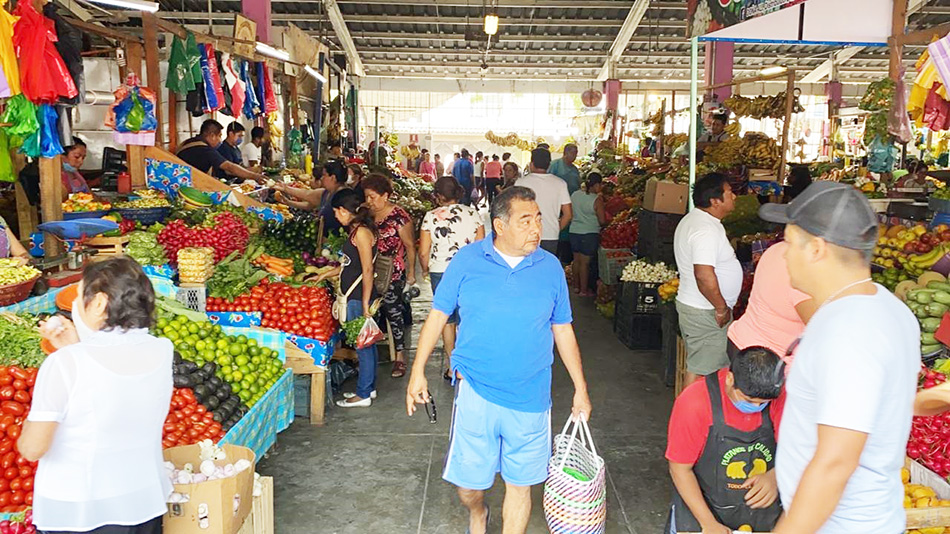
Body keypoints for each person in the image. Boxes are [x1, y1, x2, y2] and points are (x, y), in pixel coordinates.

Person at [406, 186, 592, 534]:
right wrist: (418, 372)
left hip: (531, 396)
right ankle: (478, 512)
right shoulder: (467, 260)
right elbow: (437, 315)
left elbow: (562, 329)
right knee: (468, 488)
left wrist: (580, 389)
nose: (537, 228)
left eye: (538, 219)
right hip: (477, 390)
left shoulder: (550, 267)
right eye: (526, 221)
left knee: (520, 485)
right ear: (499, 226)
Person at [758, 182, 920, 534]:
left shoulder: (848, 330)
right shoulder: (888, 307)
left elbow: (836, 462)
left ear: (816, 248)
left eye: (788, 242)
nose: (783, 254)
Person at [19, 257, 172, 533]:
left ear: (99, 303)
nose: (75, 306)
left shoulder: (65, 364)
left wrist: (27, 427)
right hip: (143, 502)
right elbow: (112, 378)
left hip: (82, 514)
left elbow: (32, 448)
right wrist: (75, 347)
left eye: (79, 297)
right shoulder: (161, 350)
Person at [666, 346, 785, 534]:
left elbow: (800, 452)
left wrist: (777, 476)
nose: (756, 407)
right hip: (703, 507)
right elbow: (679, 468)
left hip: (761, 514)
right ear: (730, 379)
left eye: (763, 404)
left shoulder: (779, 396)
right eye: (749, 400)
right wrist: (708, 523)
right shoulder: (694, 403)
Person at [313, 189, 380, 407]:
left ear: (343, 210)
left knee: (363, 347)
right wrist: (325, 273)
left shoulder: (361, 233)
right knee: (366, 344)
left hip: (358, 296)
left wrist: (364, 302)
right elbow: (350, 265)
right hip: (356, 295)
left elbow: (368, 269)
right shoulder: (356, 231)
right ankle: (369, 389)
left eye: (336, 212)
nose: (335, 216)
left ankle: (362, 394)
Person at [674, 172, 741, 387]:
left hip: (698, 307)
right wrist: (721, 307)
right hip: (706, 312)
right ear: (715, 200)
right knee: (704, 373)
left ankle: (691, 418)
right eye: (730, 193)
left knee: (701, 367)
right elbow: (703, 274)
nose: (735, 197)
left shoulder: (697, 221)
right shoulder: (705, 230)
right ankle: (690, 419)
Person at [419, 176, 485, 381]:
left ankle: (452, 366)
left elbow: (423, 251)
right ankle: (469, 363)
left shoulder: (430, 217)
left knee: (447, 320)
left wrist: (425, 269)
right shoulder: (473, 214)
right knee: (466, 317)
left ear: (438, 196)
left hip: (441, 271)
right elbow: (481, 246)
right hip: (469, 271)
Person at [363, 174, 416, 379]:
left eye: (373, 197)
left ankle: (400, 357)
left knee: (393, 312)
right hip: (369, 268)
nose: (369, 201)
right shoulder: (368, 215)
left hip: (392, 271)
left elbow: (410, 246)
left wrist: (411, 273)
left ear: (385, 196)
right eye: (367, 197)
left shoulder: (399, 217)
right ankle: (370, 353)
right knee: (370, 311)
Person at [726, 241, 816, 363]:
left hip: (746, 340)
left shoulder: (777, 249)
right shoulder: (804, 268)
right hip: (765, 359)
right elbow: (823, 328)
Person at [516, 147, 572, 256]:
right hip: (551, 236)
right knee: (546, 269)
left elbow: (515, 210)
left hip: (526, 234)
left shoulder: (521, 183)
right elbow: (568, 214)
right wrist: (556, 228)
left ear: (532, 164)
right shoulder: (560, 183)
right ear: (549, 164)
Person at [177, 120, 266, 184]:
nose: (220, 140)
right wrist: (255, 176)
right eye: (219, 136)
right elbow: (229, 167)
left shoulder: (187, 142)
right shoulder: (206, 150)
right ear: (212, 136)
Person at [275, 160, 348, 236]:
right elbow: (307, 194)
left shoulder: (344, 197)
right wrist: (286, 190)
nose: (322, 178)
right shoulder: (326, 192)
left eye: (324, 175)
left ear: (333, 178)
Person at [569, 173, 606, 296]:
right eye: (600, 185)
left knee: (576, 261)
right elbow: (602, 220)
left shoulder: (575, 194)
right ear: (596, 185)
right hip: (589, 234)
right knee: (585, 263)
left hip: (574, 231)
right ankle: (583, 291)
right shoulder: (597, 200)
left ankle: (575, 287)